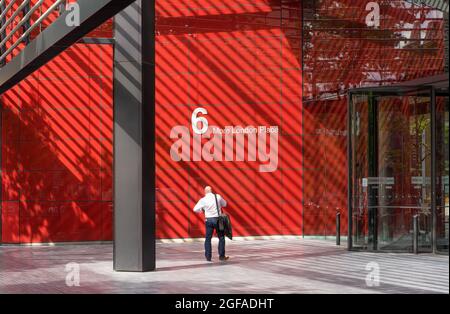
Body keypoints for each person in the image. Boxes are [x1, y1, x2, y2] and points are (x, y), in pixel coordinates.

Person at [193, 186, 229, 262]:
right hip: (218, 220)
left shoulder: (203, 200)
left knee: (208, 238)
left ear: (205, 192)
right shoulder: (218, 196)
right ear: (211, 191)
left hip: (208, 220)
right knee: (221, 237)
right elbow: (225, 204)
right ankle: (222, 256)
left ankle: (208, 257)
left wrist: (201, 210)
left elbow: (195, 209)